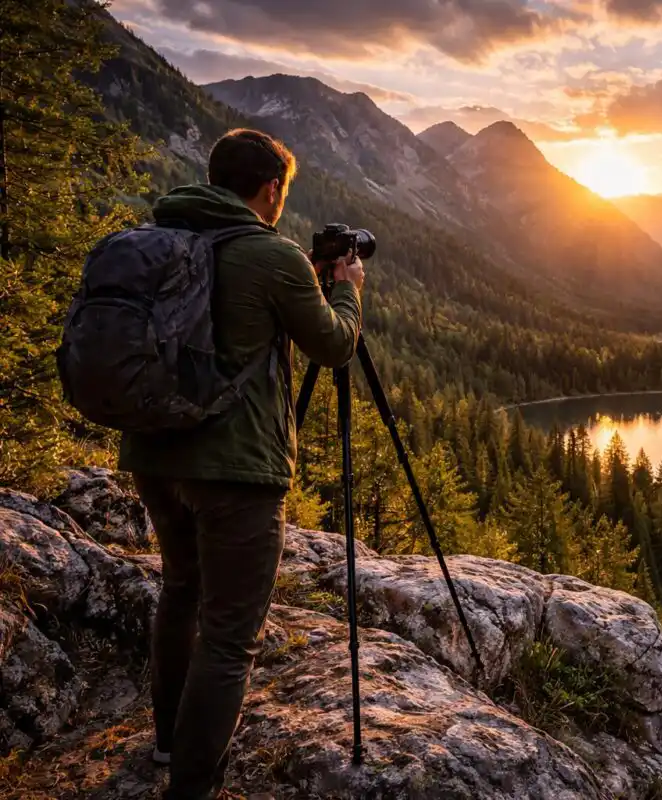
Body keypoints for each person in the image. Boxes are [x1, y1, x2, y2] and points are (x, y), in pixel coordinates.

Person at [118, 128, 365, 799]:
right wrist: (346, 288)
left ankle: (169, 744)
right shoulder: (270, 254)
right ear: (270, 189)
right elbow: (335, 346)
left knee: (180, 592)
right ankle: (194, 788)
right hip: (235, 473)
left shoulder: (165, 238)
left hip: (155, 455)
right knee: (230, 639)